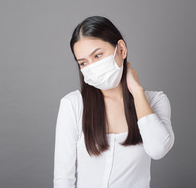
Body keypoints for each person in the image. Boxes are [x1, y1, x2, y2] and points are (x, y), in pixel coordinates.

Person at [53, 16, 175, 188]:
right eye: (83, 63)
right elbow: (63, 179)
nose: (91, 66)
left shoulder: (155, 101)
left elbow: (158, 149)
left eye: (98, 55)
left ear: (122, 49)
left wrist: (138, 92)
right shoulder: (73, 105)